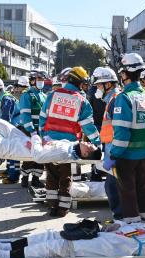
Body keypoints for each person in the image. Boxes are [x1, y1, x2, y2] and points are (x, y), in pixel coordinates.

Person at [0, 212, 145, 258]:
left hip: (118, 247)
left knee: (62, 247)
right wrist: (116, 225)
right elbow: (144, 225)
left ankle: (4, 255)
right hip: (118, 237)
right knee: (56, 234)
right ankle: (6, 245)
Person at [39, 66, 101, 217]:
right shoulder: (81, 101)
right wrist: (98, 143)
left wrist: (43, 137)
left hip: (49, 143)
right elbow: (88, 127)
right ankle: (63, 209)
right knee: (65, 177)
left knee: (51, 175)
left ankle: (52, 206)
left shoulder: (52, 95)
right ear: (79, 82)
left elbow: (42, 118)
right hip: (69, 146)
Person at [110, 53, 145, 224]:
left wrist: (113, 155)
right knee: (144, 190)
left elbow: (122, 133)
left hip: (126, 156)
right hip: (144, 155)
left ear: (124, 75)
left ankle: (133, 228)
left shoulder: (124, 98)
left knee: (128, 192)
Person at [94, 67, 122, 220]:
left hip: (116, 152)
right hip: (112, 150)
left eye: (99, 85)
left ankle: (120, 219)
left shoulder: (116, 99)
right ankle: (120, 217)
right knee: (112, 187)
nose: (97, 89)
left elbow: (119, 129)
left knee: (113, 188)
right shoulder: (111, 100)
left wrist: (113, 154)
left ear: (108, 85)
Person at [0, 77, 22, 184]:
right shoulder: (2, 97)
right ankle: (9, 170)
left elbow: (5, 117)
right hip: (11, 125)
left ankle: (14, 176)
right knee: (9, 150)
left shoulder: (6, 99)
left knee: (13, 151)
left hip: (14, 126)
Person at [19, 71, 46, 188]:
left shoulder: (44, 96)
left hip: (41, 131)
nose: (41, 81)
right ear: (32, 81)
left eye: (42, 79)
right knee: (29, 155)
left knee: (40, 155)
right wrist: (31, 130)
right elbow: (25, 115)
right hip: (29, 130)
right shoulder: (27, 95)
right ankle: (25, 178)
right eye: (39, 79)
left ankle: (36, 178)